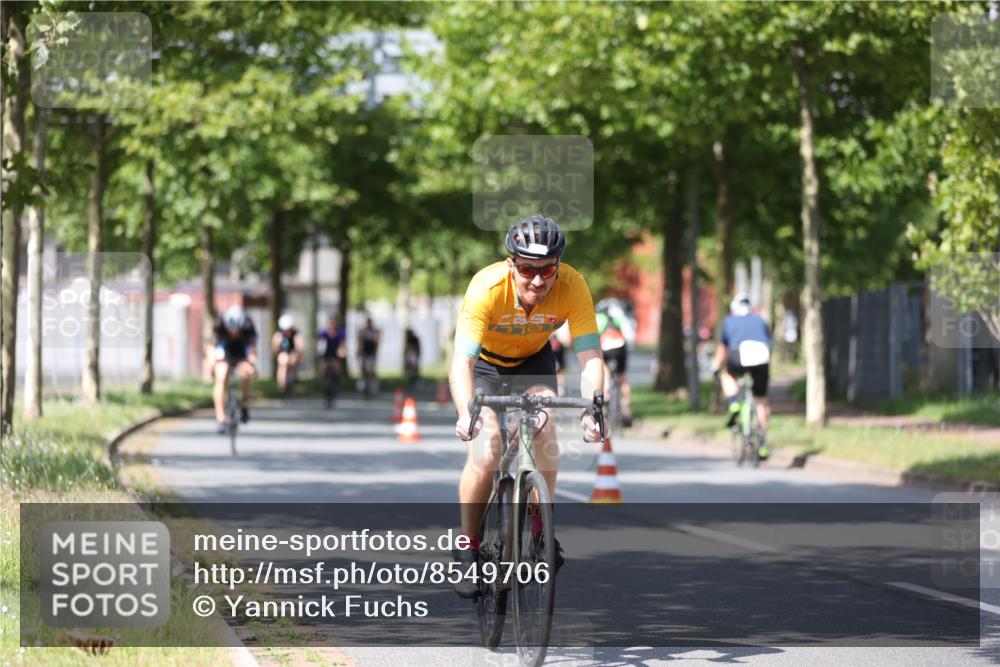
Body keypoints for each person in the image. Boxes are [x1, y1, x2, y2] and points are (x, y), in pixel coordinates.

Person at [450, 214, 605, 598]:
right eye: (527, 269)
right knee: (486, 452)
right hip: (485, 366)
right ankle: (467, 547)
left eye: (547, 269)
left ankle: (540, 532)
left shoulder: (572, 285)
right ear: (511, 264)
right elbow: (462, 362)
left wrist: (592, 409)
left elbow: (590, 356)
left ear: (558, 266)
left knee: (544, 430)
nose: (538, 280)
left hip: (534, 361)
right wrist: (465, 412)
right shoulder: (487, 287)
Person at [712, 293, 772, 458]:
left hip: (738, 355)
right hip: (761, 357)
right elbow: (769, 342)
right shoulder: (760, 320)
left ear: (734, 309)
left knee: (727, 375)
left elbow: (723, 349)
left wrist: (716, 367)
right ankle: (763, 444)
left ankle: (733, 403)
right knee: (761, 401)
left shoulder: (729, 321)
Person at [212, 305, 257, 434]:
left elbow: (253, 350)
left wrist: (252, 364)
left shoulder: (248, 325)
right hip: (224, 351)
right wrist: (211, 365)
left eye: (237, 330)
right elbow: (212, 348)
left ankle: (244, 405)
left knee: (246, 374)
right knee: (221, 377)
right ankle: (220, 418)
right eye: (231, 329)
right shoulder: (219, 324)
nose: (234, 333)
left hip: (241, 352)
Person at [596, 305, 633, 426]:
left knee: (605, 373)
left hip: (606, 347)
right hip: (620, 346)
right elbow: (625, 333)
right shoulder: (616, 318)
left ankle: (606, 401)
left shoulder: (598, 318)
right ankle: (626, 410)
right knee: (622, 378)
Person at [318, 314, 346, 405]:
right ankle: (325, 385)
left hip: (335, 353)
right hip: (326, 353)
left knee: (336, 367)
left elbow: (342, 344)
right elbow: (320, 343)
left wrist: (342, 351)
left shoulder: (340, 332)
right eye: (330, 323)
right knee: (324, 368)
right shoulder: (324, 332)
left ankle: (336, 384)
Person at [271, 314, 302, 394]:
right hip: (282, 353)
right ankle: (281, 385)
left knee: (293, 359)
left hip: (292, 353)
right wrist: (277, 345)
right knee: (283, 360)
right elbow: (275, 349)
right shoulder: (278, 335)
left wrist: (297, 354)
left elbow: (299, 347)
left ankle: (294, 378)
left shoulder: (295, 334)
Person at [357, 317, 381, 395]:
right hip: (364, 352)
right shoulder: (363, 331)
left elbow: (377, 341)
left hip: (371, 353)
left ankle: (374, 385)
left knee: (372, 369)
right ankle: (362, 383)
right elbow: (359, 341)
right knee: (362, 367)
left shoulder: (375, 331)